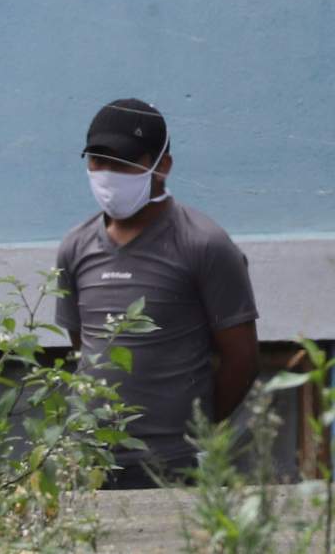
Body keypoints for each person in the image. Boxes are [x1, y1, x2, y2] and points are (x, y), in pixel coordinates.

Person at [55, 98, 260, 489]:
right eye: (98, 161)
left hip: (174, 466)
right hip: (90, 461)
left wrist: (190, 434)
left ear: (162, 165)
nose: (108, 174)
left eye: (123, 162)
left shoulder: (205, 245)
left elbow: (242, 360)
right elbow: (85, 349)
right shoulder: (75, 247)